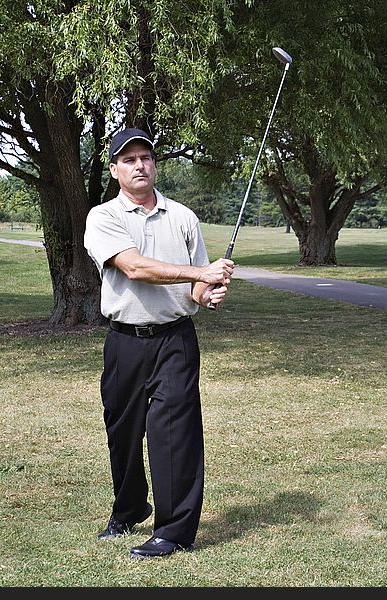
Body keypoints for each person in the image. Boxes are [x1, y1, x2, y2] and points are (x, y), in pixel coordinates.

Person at [83, 128, 234, 559]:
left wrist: (210, 293)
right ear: (114, 170)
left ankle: (175, 531)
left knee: (175, 435)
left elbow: (196, 292)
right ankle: (129, 509)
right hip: (124, 342)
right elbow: (133, 268)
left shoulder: (183, 217)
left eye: (145, 158)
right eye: (128, 160)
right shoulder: (103, 217)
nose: (139, 165)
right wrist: (199, 275)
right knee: (123, 434)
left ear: (155, 165)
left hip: (175, 341)